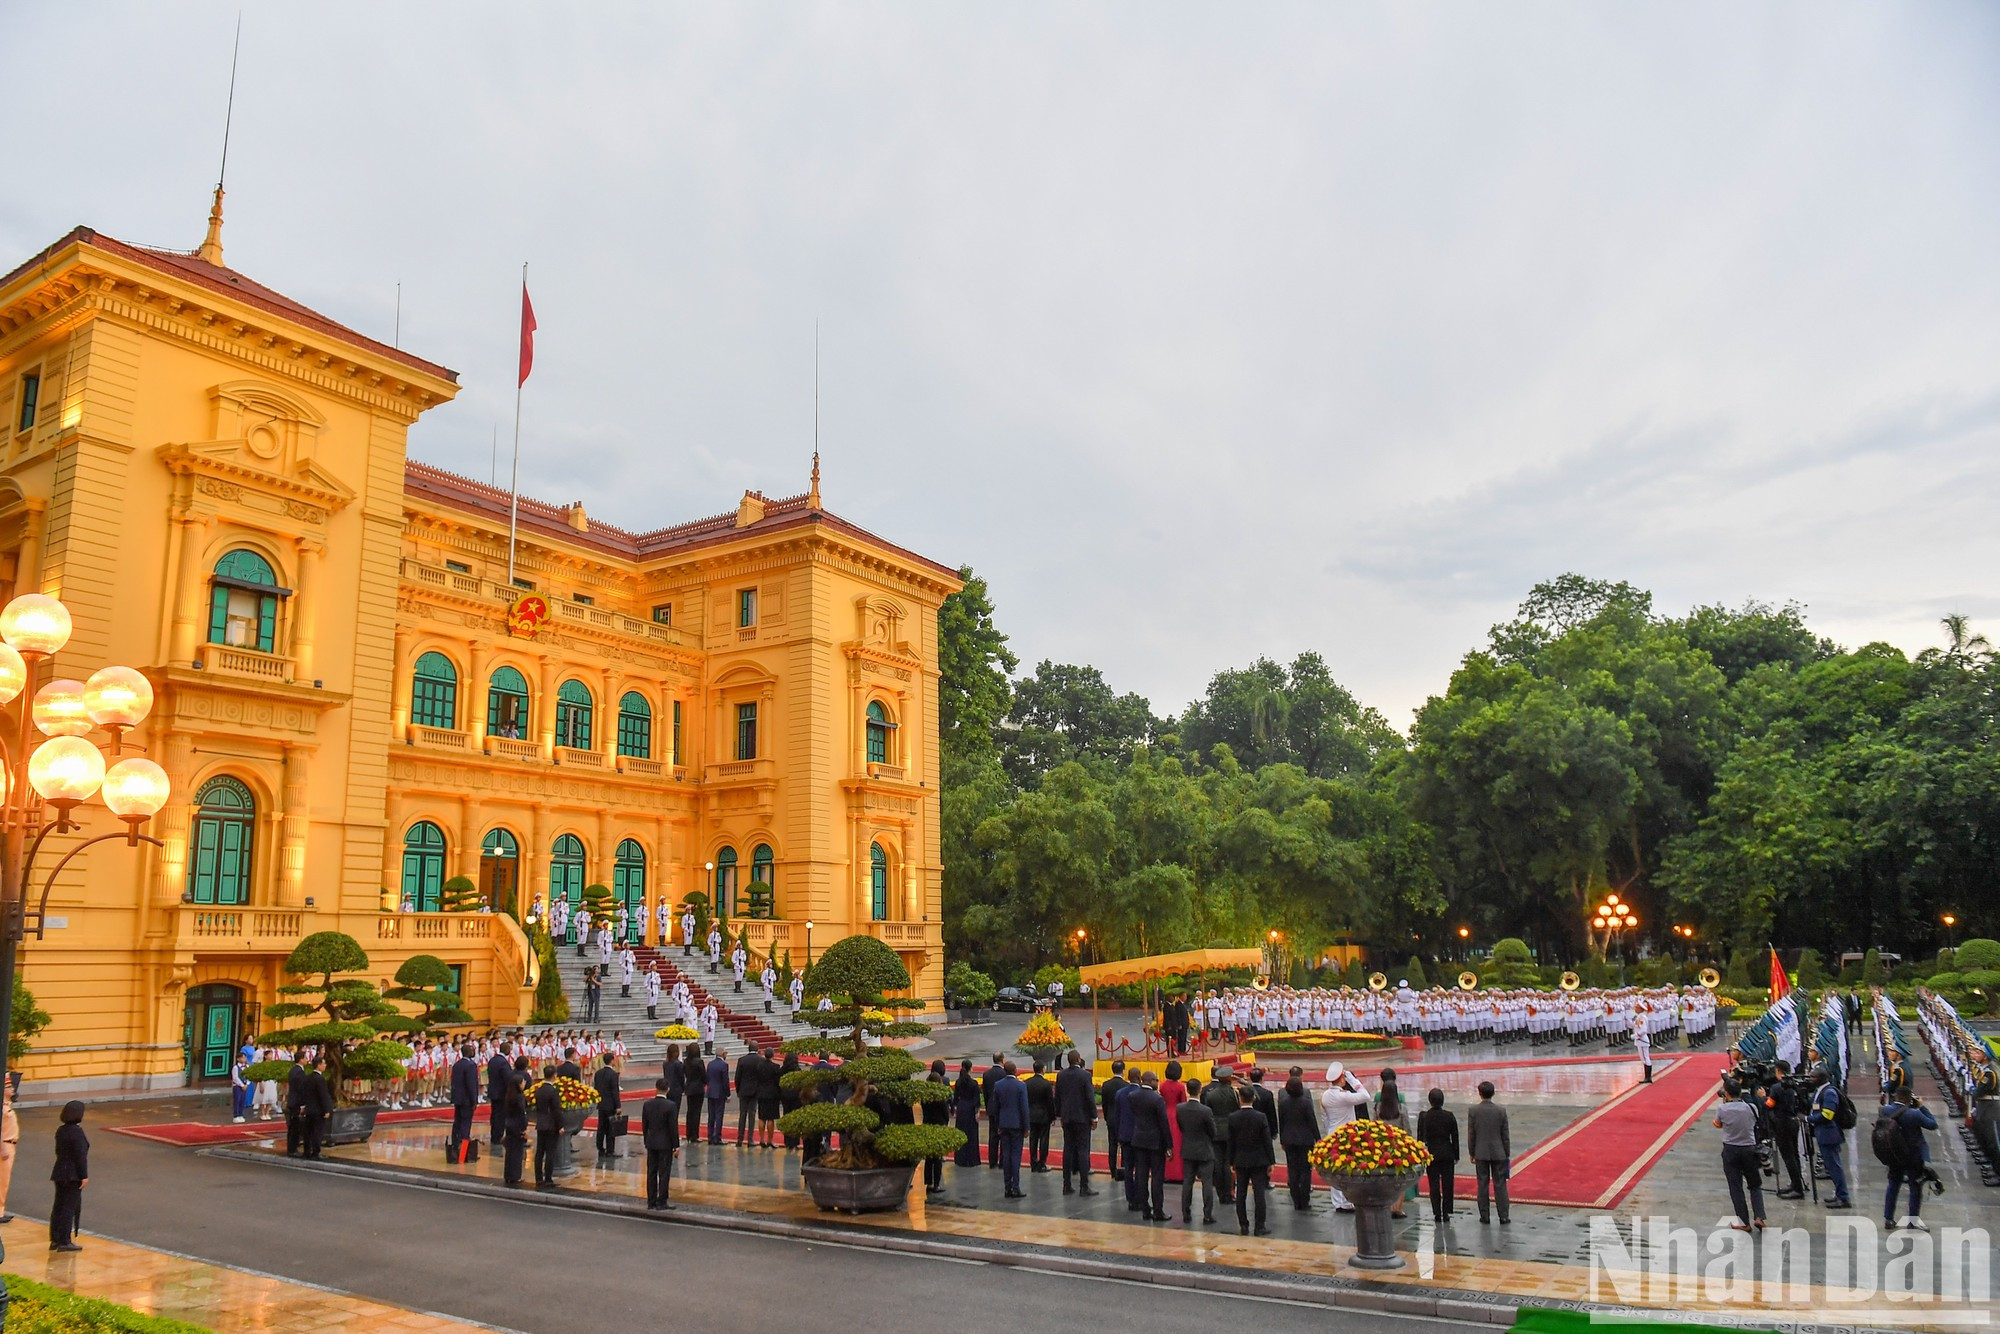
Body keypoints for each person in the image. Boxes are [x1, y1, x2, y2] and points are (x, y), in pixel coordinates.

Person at [1878, 1087, 1938, 1230]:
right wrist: (1922, 1106)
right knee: (1915, 1188)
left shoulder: (1884, 1110)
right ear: (1909, 1099)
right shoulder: (1914, 1114)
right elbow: (1933, 1124)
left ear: (1896, 1097)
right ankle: (1912, 1221)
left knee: (1893, 1185)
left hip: (1893, 1154)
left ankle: (1888, 1219)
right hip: (1913, 1156)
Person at [1714, 1081, 1765, 1230]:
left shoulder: (1722, 1108)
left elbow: (1717, 1124)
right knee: (1755, 1184)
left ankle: (1744, 1222)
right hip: (1749, 1148)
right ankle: (1759, 1216)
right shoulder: (1751, 1107)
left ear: (1727, 1093)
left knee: (1736, 1187)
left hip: (1731, 1149)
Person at [1318, 1062, 1369, 1212]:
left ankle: (1338, 1202)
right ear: (1342, 1079)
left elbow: (1325, 1119)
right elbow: (1365, 1095)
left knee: (1335, 1169)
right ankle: (1347, 1202)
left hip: (1332, 1134)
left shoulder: (1325, 1096)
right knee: (1348, 1168)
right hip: (1347, 1135)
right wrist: (1353, 1079)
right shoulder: (1344, 1096)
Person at [1226, 1085, 1275, 1236]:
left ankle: (1243, 1225)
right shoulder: (1261, 1117)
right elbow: (1267, 1141)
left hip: (1240, 1160)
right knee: (1259, 1193)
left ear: (1240, 1099)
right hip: (1259, 1160)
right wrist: (1271, 1161)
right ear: (1253, 1098)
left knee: (1241, 1193)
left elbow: (1230, 1142)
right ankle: (1259, 1226)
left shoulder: (1233, 1117)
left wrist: (1230, 1161)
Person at [1126, 1071, 1173, 1222]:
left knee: (1141, 1175)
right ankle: (1158, 1210)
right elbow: (1163, 1123)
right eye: (1156, 1080)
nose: (1158, 1083)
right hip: (1155, 1142)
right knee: (1157, 1177)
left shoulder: (1133, 1096)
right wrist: (1169, 1145)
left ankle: (1145, 1209)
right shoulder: (1157, 1099)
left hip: (1139, 1140)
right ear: (1151, 1081)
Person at [1276, 1067, 1322, 1211]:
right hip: (1305, 1140)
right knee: (1305, 1170)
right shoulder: (1306, 1102)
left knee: (1293, 1170)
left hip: (1289, 1140)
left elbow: (1281, 1122)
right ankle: (1304, 1200)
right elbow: (1312, 1122)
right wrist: (1318, 1138)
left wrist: (1282, 1140)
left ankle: (1296, 1200)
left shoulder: (1283, 1102)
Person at [1054, 1050, 1098, 1195]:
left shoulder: (1061, 1075)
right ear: (1078, 1060)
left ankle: (1066, 1185)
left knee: (1068, 1150)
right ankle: (1084, 1186)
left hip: (1067, 1118)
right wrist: (1094, 1117)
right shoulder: (1085, 1076)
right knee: (1083, 1151)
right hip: (1082, 1118)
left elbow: (1058, 1097)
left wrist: (1059, 1115)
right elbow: (1090, 1098)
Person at [1468, 1079, 1511, 1225]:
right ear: (1493, 1093)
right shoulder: (1501, 1111)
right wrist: (1507, 1153)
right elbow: (1505, 1135)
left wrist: (1472, 1152)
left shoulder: (1473, 1111)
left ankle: (1484, 1216)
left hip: (1480, 1152)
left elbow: (1471, 1134)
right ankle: (1503, 1215)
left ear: (1480, 1094)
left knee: (1482, 1184)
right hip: (1499, 1152)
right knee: (1500, 1184)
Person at [1176, 1075, 1218, 1224]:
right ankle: (1207, 1215)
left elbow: (1181, 1127)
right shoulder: (1206, 1110)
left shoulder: (1180, 1108)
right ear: (1200, 1090)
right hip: (1204, 1150)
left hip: (1188, 1148)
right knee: (1207, 1182)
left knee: (1187, 1182)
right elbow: (1213, 1131)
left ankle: (1186, 1214)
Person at [1415, 1087, 1460, 1221]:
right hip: (1447, 1152)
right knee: (1448, 1184)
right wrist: (1456, 1155)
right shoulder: (1449, 1115)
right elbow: (1455, 1137)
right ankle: (1446, 1211)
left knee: (1433, 1184)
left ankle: (1436, 1212)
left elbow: (1420, 1138)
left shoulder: (1424, 1116)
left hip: (1431, 1154)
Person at [49, 1101, 88, 1252]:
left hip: (59, 1171)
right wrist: (84, 1175)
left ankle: (55, 1238)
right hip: (72, 1174)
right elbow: (80, 1156)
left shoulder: (61, 1130)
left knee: (58, 1206)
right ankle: (65, 1240)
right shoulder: (77, 1132)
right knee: (68, 1207)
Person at [1809, 1075, 1851, 1209]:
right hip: (1823, 1134)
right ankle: (1839, 1195)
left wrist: (1808, 1119)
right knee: (1832, 1167)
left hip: (1829, 1135)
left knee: (1834, 1167)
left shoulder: (1829, 1093)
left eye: (1813, 1076)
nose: (1811, 1078)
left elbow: (1827, 1115)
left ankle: (1843, 1197)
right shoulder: (1820, 1091)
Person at [990, 1060, 1030, 1198]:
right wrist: (1026, 1127)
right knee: (1015, 1156)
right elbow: (1024, 1108)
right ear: (1015, 1070)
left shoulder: (998, 1085)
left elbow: (996, 1108)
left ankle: (1007, 1186)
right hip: (1017, 1125)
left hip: (1004, 1124)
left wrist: (998, 1124)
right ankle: (1015, 1186)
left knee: (1006, 1155)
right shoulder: (1021, 1086)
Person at [642, 1077, 681, 1208]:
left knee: (651, 1172)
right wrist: (676, 1145)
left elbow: (644, 1125)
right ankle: (662, 1201)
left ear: (656, 1088)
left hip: (651, 1142)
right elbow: (673, 1127)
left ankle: (651, 1200)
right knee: (664, 1173)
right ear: (668, 1089)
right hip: (665, 1143)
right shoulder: (671, 1106)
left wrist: (646, 1140)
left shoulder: (647, 1105)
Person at [1200, 1069, 1238, 1205]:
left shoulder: (1211, 1095)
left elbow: (1206, 1112)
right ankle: (1229, 1192)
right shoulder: (1234, 1093)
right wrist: (1242, 1080)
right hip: (1230, 1130)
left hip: (1215, 1131)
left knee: (1218, 1162)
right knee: (1228, 1163)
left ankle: (1220, 1191)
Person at [1375, 1069, 1409, 1219]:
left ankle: (1387, 1206)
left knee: (1385, 1177)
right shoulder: (1401, 1109)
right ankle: (1398, 1208)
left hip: (1383, 1146)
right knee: (1400, 1178)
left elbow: (1374, 1126)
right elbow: (1407, 1129)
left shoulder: (1378, 1108)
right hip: (1399, 1146)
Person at [921, 1060, 952, 1193]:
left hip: (927, 1123)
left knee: (929, 1156)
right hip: (939, 1124)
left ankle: (928, 1183)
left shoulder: (925, 1093)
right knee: (937, 1156)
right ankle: (937, 1184)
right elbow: (945, 1112)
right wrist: (946, 1123)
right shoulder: (940, 1096)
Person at [532, 1064, 563, 1190]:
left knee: (540, 1152)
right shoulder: (553, 1091)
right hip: (551, 1125)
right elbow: (556, 1110)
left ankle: (539, 1178)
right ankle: (548, 1178)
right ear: (554, 1075)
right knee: (550, 1152)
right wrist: (560, 1125)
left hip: (541, 1123)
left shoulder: (539, 1090)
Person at [1098, 1061, 1129, 1182]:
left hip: (1111, 1118)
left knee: (1112, 1145)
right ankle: (1124, 1168)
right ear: (1123, 1070)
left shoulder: (1106, 1085)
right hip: (1123, 1119)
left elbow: (1104, 1104)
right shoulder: (1126, 1085)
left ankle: (1112, 1170)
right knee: (1124, 1146)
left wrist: (1106, 1117)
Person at [500, 1063, 529, 1187]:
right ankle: (515, 1176)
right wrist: (524, 1128)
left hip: (509, 1125)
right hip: (518, 1126)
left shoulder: (509, 1096)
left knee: (510, 1152)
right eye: (522, 1082)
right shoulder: (520, 1097)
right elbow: (522, 1114)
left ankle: (508, 1175)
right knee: (517, 1153)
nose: (524, 1084)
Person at [299, 1057, 334, 1160]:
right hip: (318, 1110)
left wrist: (303, 1106)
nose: (325, 1065)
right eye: (323, 1064)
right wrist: (327, 1109)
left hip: (309, 1109)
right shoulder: (320, 1079)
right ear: (318, 1065)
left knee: (308, 1132)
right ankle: (316, 1152)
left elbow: (304, 1094)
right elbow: (323, 1095)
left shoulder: (308, 1078)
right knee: (317, 1132)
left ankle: (307, 1151)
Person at [1024, 1059, 1055, 1172]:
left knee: (1033, 1140)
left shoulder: (1027, 1083)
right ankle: (1042, 1163)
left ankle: (1033, 1162)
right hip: (1043, 1117)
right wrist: (1053, 1116)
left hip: (1031, 1116)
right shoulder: (1046, 1084)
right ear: (1043, 1069)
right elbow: (1050, 1103)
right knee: (1043, 1140)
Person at [1160, 1060, 1189, 1185]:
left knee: (1166, 1143)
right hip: (1177, 1115)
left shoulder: (1162, 1085)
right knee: (1177, 1144)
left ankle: (1166, 1173)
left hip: (1166, 1113)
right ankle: (1178, 1174)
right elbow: (1183, 1102)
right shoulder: (1181, 1086)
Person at [449, 1042, 481, 1146]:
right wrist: (474, 1100)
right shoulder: (471, 1065)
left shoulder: (457, 1064)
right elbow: (471, 1084)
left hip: (458, 1098)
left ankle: (455, 1142)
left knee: (457, 1121)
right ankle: (463, 1145)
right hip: (467, 1099)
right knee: (466, 1122)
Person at [952, 1060, 983, 1167]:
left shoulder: (958, 1082)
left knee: (961, 1132)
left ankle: (960, 1158)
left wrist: (955, 1110)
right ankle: (972, 1159)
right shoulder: (974, 1083)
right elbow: (976, 1100)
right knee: (972, 1134)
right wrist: (977, 1112)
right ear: (971, 1068)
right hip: (970, 1109)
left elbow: (955, 1099)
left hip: (961, 1108)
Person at [593, 1054, 622, 1161]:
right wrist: (618, 1105)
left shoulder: (598, 1073)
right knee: (610, 1128)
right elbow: (615, 1091)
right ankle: (610, 1150)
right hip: (610, 1104)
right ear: (611, 1061)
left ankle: (600, 1148)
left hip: (601, 1104)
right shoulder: (613, 1074)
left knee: (601, 1127)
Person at [980, 1052, 1006, 1169]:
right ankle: (1002, 1161)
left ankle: (992, 1161)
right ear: (1002, 1060)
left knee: (993, 1135)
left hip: (991, 1108)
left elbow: (985, 1093)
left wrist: (987, 1106)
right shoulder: (1004, 1073)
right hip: (1002, 1108)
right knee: (1003, 1136)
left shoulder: (986, 1074)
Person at [486, 1041, 515, 1146]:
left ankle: (494, 1135)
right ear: (507, 1050)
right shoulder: (503, 1062)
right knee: (500, 1116)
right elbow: (507, 1078)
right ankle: (498, 1137)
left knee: (494, 1115)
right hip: (501, 1092)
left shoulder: (493, 1060)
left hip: (493, 1091)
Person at [734, 1047, 763, 1148]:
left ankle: (740, 1138)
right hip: (755, 1091)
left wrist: (738, 1090)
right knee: (752, 1115)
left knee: (742, 1115)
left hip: (743, 1090)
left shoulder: (742, 1060)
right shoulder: (761, 1060)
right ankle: (750, 1139)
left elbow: (737, 1077)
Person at [0, 1073, 19, 1223]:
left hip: (10, 1144)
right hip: (5, 1145)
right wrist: (2, 1148)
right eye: (8, 1086)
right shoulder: (2, 1108)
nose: (12, 1089)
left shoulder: (7, 1105)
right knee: (2, 1180)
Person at [284, 1052, 310, 1156]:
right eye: (305, 1058)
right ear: (301, 1059)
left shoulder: (293, 1070)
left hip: (292, 1101)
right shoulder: (299, 1073)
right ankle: (292, 1149)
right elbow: (301, 1090)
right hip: (296, 1102)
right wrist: (303, 1105)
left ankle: (291, 1148)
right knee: (295, 1127)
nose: (307, 1060)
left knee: (292, 1126)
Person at [704, 1050, 730, 1144]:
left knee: (711, 1115)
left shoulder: (710, 1064)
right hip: (720, 1093)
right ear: (723, 1054)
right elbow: (725, 1081)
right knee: (719, 1115)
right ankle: (717, 1137)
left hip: (711, 1091)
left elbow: (707, 1078)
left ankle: (710, 1136)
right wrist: (728, 1094)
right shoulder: (724, 1065)